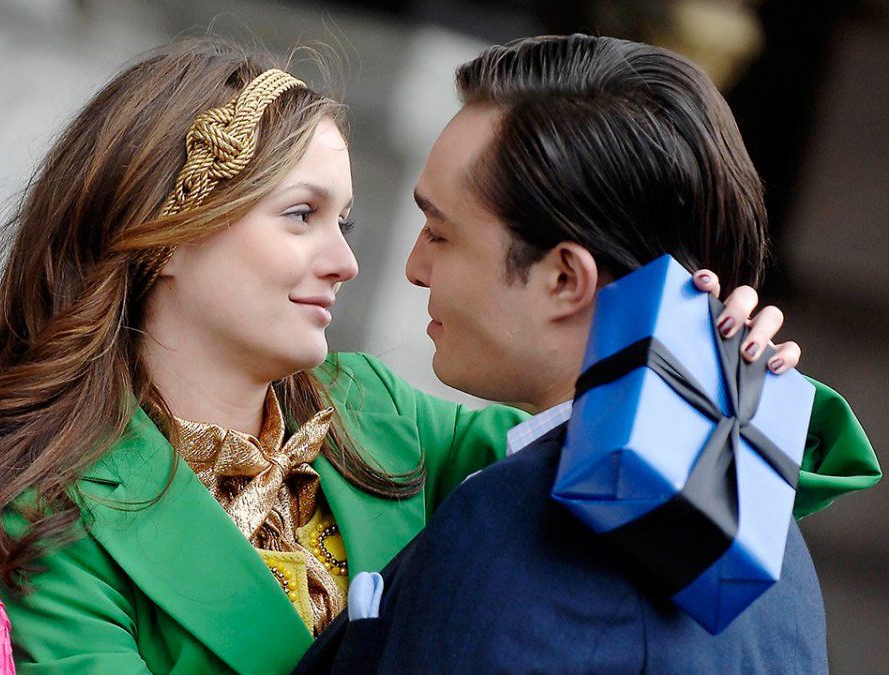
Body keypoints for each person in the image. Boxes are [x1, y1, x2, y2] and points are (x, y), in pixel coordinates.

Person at [0, 38, 876, 674]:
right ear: (165, 234)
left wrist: (721, 363)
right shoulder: (50, 505)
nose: (352, 261)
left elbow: (607, 456)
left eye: (345, 220)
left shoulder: (374, 411)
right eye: (301, 215)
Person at [295, 34, 882, 674]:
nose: (415, 267)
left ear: (565, 279)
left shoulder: (516, 521)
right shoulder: (783, 564)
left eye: (440, 233)